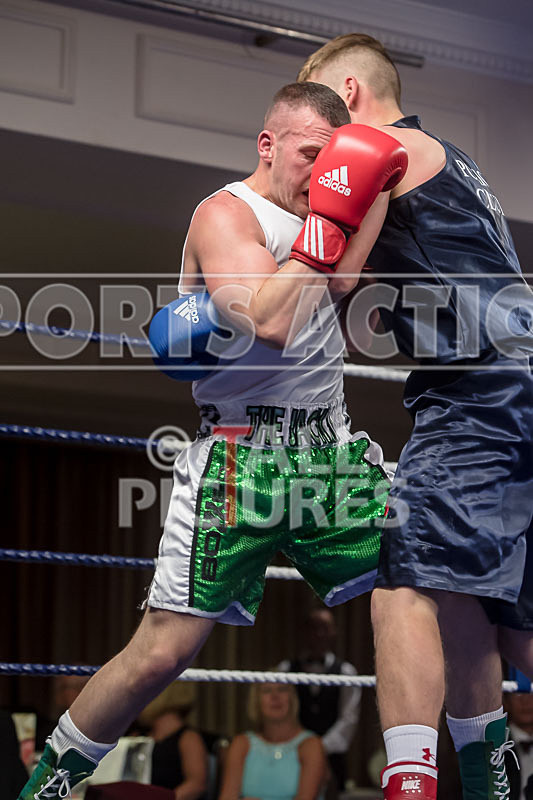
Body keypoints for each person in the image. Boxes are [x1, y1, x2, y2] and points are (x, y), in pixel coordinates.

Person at [18, 81, 408, 800]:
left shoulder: (319, 209)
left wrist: (374, 184)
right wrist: (336, 210)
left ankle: (453, 771)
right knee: (161, 653)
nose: (323, 175)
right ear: (268, 145)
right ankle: (47, 785)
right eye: (311, 157)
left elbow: (346, 278)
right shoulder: (226, 213)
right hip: (239, 459)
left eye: (335, 164)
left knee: (423, 576)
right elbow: (270, 321)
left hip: (329, 450)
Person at [297, 32, 533, 800]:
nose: (322, 142)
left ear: (353, 97)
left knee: (400, 580)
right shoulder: (452, 159)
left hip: (478, 395)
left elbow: (321, 277)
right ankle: (488, 785)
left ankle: (408, 787)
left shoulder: (371, 143)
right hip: (510, 387)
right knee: (487, 610)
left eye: (325, 119)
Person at [278, 608, 360, 794]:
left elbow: (349, 719)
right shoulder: (285, 669)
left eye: (324, 628)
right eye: (314, 627)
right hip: (291, 755)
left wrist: (318, 748)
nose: (319, 634)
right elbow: (282, 713)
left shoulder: (347, 672)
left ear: (334, 632)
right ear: (304, 631)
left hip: (332, 758)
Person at [218, 682, 327, 800]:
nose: (275, 696)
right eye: (267, 691)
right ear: (256, 701)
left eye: (282, 689)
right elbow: (227, 796)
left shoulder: (310, 745)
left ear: (292, 698)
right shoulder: (242, 743)